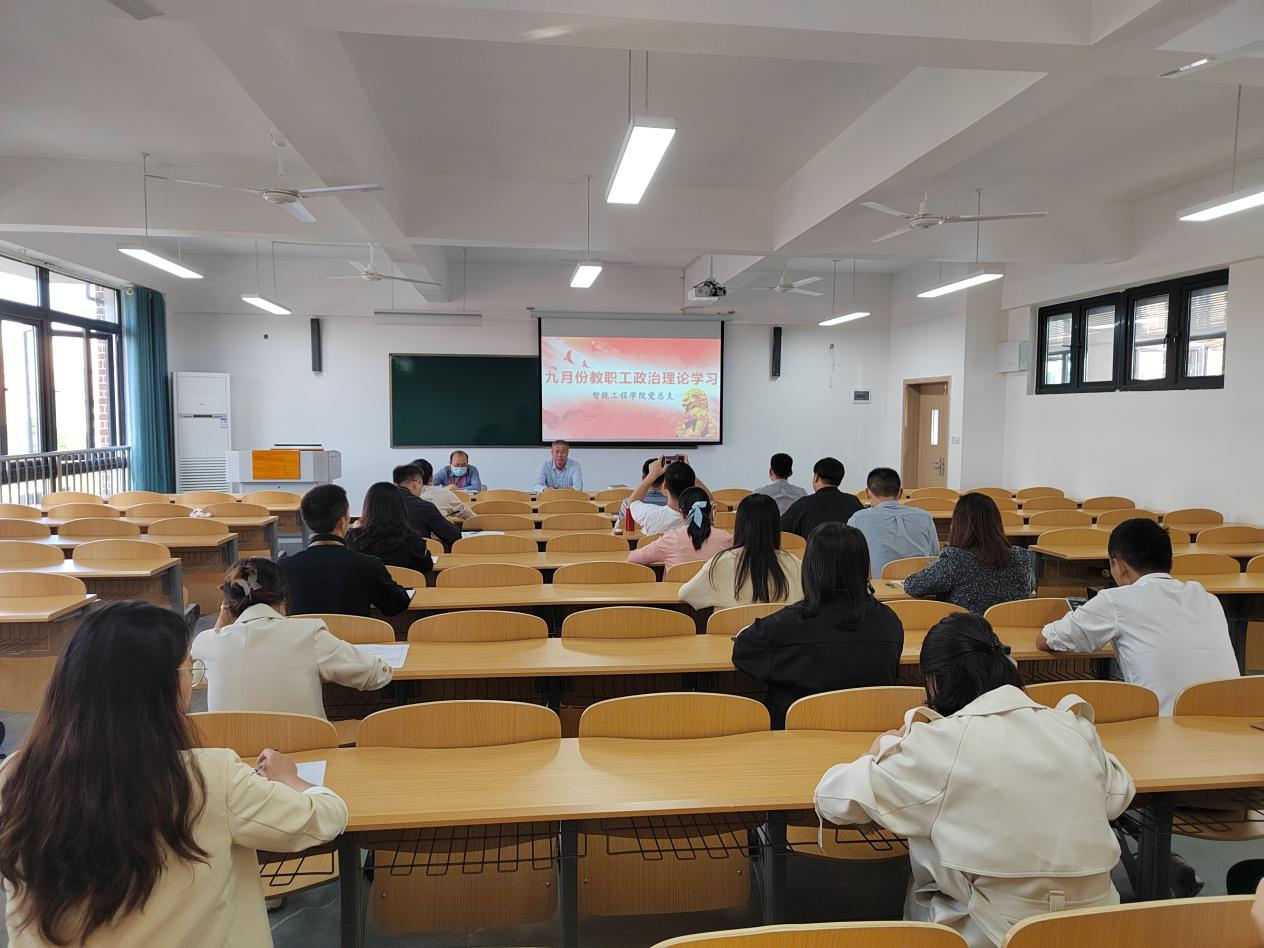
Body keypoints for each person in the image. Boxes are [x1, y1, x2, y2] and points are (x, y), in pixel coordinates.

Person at [0, 601, 347, 947]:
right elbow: (325, 818)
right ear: (162, 688)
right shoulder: (209, 777)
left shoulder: (14, 776)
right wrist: (290, 777)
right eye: (188, 669)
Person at [814, 612, 1135, 948]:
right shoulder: (1073, 727)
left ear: (935, 681)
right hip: (1099, 927)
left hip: (993, 932)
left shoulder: (940, 743)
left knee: (930, 853)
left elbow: (834, 799)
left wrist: (877, 750)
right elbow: (1118, 795)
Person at [1037, 519, 1239, 715]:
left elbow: (1046, 639)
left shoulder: (1115, 600)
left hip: (1165, 727)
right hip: (1231, 722)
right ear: (1171, 562)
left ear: (1118, 566)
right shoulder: (1208, 599)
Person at [731, 523, 902, 728]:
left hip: (797, 737)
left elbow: (742, 653)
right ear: (864, 567)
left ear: (810, 568)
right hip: (869, 736)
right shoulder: (889, 622)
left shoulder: (784, 626)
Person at [193, 558, 393, 718]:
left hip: (234, 755)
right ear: (283, 600)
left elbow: (196, 675)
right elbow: (376, 674)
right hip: (303, 752)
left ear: (227, 603)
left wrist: (225, 611)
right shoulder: (308, 634)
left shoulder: (205, 643)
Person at [279, 484, 412, 617]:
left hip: (306, 632)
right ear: (342, 522)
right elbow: (397, 604)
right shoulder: (368, 565)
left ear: (308, 521)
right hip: (354, 632)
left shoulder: (283, 567)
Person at [903, 493, 1032, 614]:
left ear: (958, 525)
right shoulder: (1021, 557)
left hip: (966, 629)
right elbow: (1030, 588)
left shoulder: (957, 559)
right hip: (1010, 629)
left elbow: (913, 585)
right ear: (996, 523)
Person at [680, 492, 804, 610]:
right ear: (776, 526)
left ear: (739, 524)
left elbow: (685, 594)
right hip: (781, 626)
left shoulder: (720, 563)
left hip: (733, 626)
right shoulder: (795, 564)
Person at [848, 467, 940, 577]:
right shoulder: (925, 517)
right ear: (900, 493)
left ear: (867, 493)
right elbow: (935, 557)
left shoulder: (858, 519)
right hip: (920, 583)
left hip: (878, 585)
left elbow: (850, 560)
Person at [628, 486, 733, 572]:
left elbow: (633, 558)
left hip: (676, 592)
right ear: (711, 510)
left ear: (681, 514)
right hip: (713, 592)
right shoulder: (726, 539)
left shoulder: (671, 539)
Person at [345, 482, 435, 574]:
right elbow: (426, 567)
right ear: (400, 507)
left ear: (368, 506)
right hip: (404, 583)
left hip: (366, 584)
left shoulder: (353, 538)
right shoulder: (413, 540)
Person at [623, 457, 710, 537]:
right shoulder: (701, 517)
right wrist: (690, 473)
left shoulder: (650, 514)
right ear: (693, 485)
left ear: (664, 486)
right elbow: (710, 501)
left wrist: (651, 476)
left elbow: (631, 503)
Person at [780, 457, 863, 539]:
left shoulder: (803, 504)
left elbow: (781, 530)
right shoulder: (854, 502)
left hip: (812, 548)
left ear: (816, 477)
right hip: (849, 548)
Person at [393, 463, 461, 550]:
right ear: (416, 484)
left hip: (383, 556)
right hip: (416, 555)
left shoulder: (380, 503)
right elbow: (454, 536)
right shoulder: (424, 506)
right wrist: (448, 523)